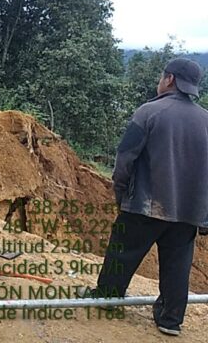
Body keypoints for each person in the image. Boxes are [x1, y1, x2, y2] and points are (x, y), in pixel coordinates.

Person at [84, 58, 208, 337]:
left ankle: (108, 298)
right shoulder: (205, 120)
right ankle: (171, 319)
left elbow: (125, 160)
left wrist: (120, 193)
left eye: (162, 76)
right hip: (187, 210)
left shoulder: (149, 112)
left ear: (170, 80)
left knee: (123, 250)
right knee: (178, 264)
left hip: (145, 203)